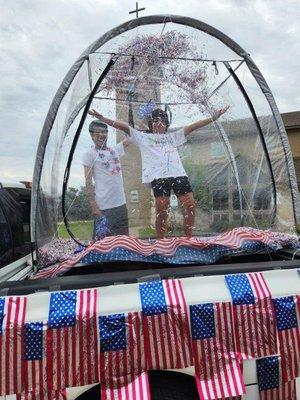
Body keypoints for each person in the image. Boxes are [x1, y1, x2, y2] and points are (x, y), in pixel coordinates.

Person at [88, 106, 228, 238]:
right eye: (155, 120)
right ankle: (161, 240)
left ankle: (188, 236)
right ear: (151, 124)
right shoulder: (143, 137)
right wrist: (102, 118)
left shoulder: (173, 137)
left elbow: (193, 126)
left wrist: (213, 118)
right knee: (162, 208)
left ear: (166, 123)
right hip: (158, 177)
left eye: (161, 120)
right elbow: (124, 126)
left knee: (190, 205)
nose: (158, 123)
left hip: (178, 174)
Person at [82, 120, 129, 238]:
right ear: (92, 136)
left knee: (123, 241)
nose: (101, 135)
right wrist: (94, 206)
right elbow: (88, 182)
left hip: (121, 205)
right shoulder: (89, 154)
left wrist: (108, 120)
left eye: (104, 132)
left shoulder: (115, 150)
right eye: (97, 133)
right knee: (102, 244)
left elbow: (131, 136)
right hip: (103, 207)